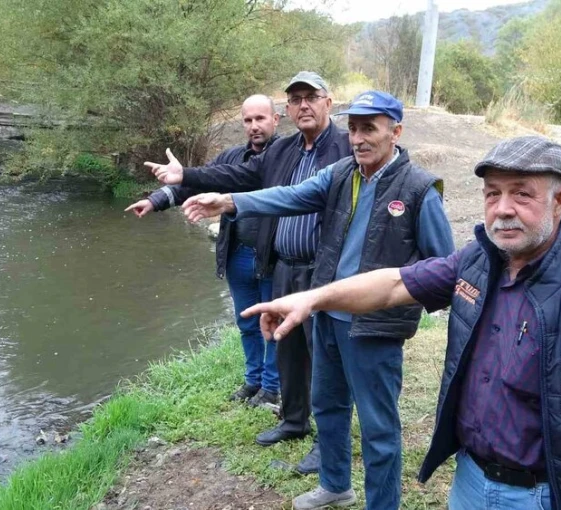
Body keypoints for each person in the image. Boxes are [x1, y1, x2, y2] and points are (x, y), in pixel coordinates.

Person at [242, 136, 561, 510]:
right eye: (492, 194)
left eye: (522, 195)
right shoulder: (477, 261)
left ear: (560, 200)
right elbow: (392, 285)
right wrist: (312, 298)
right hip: (471, 483)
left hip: (556, 495)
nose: (503, 209)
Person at [182, 90, 455, 510]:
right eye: (354, 129)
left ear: (396, 132)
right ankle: (335, 485)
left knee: (378, 426)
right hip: (326, 313)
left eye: (370, 129)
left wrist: (400, 301)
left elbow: (441, 269)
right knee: (327, 405)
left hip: (375, 326)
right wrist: (231, 201)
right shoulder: (343, 172)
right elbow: (288, 196)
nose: (359, 138)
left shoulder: (419, 190)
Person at [142, 71, 353, 474]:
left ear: (329, 102)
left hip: (327, 271)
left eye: (312, 97)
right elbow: (236, 174)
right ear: (287, 110)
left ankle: (330, 445)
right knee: (289, 350)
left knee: (327, 360)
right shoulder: (284, 150)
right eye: (296, 99)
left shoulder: (347, 146)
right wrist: (185, 177)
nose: (304, 105)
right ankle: (293, 421)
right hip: (287, 267)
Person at [126, 95, 281, 406]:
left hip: (273, 257)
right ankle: (253, 382)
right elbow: (197, 182)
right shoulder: (232, 156)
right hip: (237, 252)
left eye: (260, 119)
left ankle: (272, 386)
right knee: (246, 322)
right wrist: (156, 200)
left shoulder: (285, 157)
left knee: (273, 322)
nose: (254, 126)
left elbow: (231, 179)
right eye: (248, 120)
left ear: (275, 120)